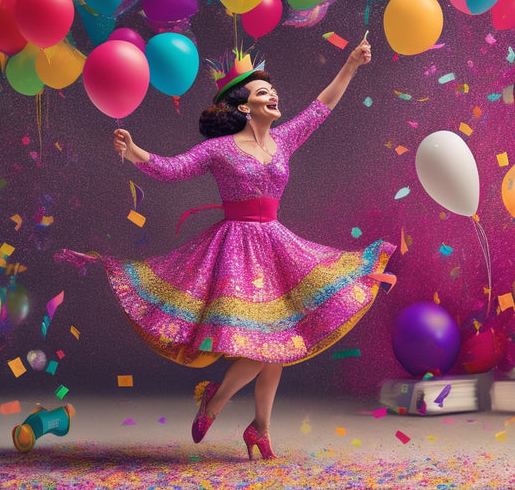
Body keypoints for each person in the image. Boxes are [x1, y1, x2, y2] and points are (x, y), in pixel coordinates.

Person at [57, 39, 395, 460]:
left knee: (281, 342)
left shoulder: (285, 138)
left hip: (275, 245)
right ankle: (216, 401)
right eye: (261, 92)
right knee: (263, 342)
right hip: (236, 250)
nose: (273, 95)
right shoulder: (219, 149)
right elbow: (173, 168)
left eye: (272, 91)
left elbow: (322, 106)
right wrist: (135, 151)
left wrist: (349, 65)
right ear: (242, 107)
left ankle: (260, 428)